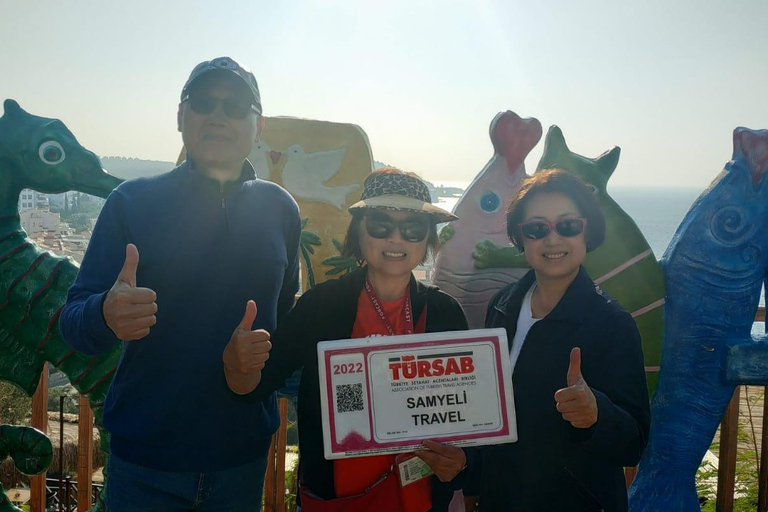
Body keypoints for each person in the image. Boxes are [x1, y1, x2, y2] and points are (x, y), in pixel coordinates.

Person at [59, 56, 301, 511]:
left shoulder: (281, 210)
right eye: (204, 102)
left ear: (258, 125)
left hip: (241, 462)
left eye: (235, 107)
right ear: (180, 116)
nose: (218, 115)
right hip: (143, 466)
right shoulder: (130, 202)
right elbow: (72, 325)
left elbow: (284, 330)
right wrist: (104, 314)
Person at [224, 168, 469, 511]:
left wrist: (460, 462)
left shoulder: (446, 313)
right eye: (380, 225)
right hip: (335, 499)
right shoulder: (321, 305)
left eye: (413, 228)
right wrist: (237, 364)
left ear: (428, 239)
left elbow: (468, 417)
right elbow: (253, 386)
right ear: (357, 232)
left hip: (420, 500)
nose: (396, 239)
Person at [463, 170, 650, 512]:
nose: (552, 239)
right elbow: (487, 415)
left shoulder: (612, 324)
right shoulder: (502, 307)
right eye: (536, 228)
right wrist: (474, 485)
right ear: (521, 238)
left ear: (587, 231)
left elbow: (633, 442)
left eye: (567, 226)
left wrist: (596, 413)